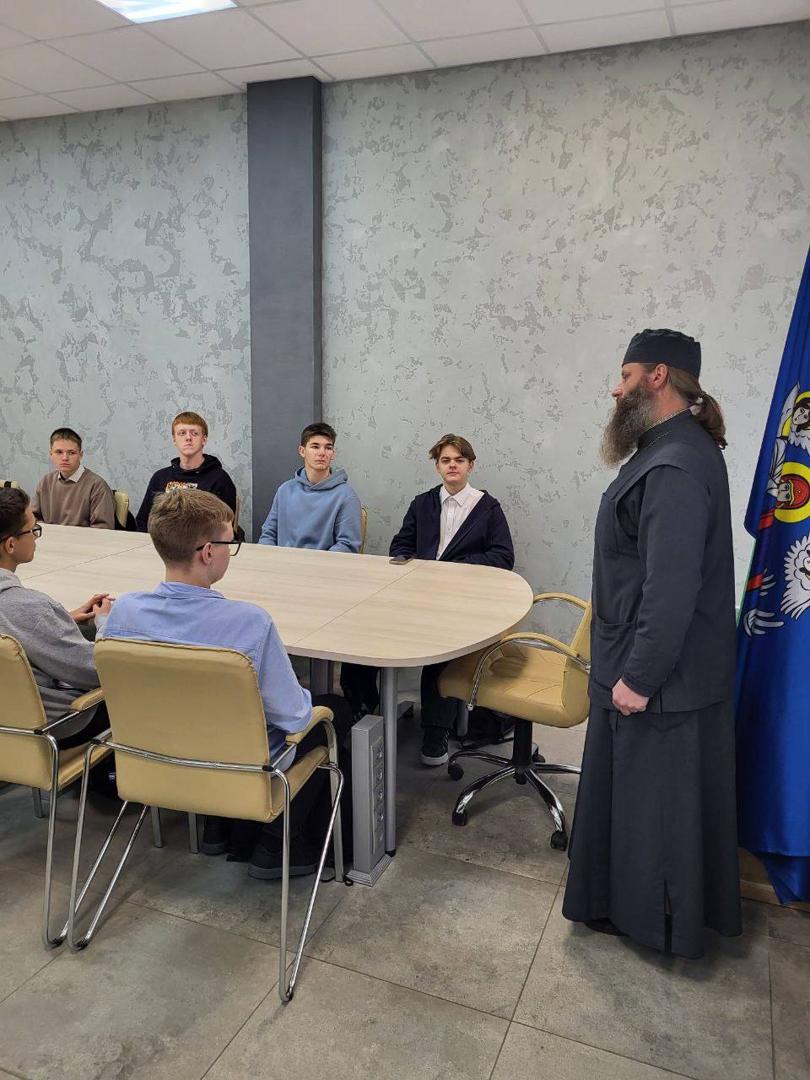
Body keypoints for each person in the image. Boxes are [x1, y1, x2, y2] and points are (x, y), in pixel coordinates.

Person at [562, 328, 741, 959]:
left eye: (627, 374)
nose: (617, 387)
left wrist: (638, 679)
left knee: (656, 818)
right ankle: (620, 908)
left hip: (662, 680)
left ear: (658, 377)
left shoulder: (677, 462)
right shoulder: (667, 448)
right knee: (635, 806)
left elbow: (671, 590)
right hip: (640, 662)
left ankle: (658, 926)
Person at [101, 487, 353, 880]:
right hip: (240, 770)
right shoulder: (249, 623)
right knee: (333, 713)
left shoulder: (123, 615)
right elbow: (293, 715)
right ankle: (279, 845)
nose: (229, 550)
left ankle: (217, 828)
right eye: (229, 542)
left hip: (153, 762)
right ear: (207, 552)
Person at [345, 434, 514, 767]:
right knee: (363, 635)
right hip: (416, 594)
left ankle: (437, 729)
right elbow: (400, 546)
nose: (452, 466)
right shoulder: (422, 503)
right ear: (437, 466)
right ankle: (364, 709)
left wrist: (455, 570)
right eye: (446, 460)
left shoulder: (487, 508)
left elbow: (502, 556)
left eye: (459, 460)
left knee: (440, 652)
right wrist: (411, 569)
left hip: (461, 600)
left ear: (470, 465)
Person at [0, 487, 112, 748]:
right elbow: (101, 672)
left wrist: (63, 618)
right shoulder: (33, 609)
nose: (36, 537)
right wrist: (104, 622)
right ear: (11, 544)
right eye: (33, 530)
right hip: (52, 726)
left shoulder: (31, 611)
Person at [258, 422, 361, 552]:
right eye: (315, 447)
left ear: (333, 454)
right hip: (283, 565)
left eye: (328, 448)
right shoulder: (285, 490)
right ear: (302, 451)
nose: (322, 453)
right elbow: (268, 534)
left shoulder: (346, 496)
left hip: (323, 569)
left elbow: (347, 545)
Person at [135, 411, 238, 532]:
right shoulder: (160, 477)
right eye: (182, 433)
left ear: (204, 440)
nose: (188, 438)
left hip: (200, 546)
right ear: (174, 439)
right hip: (160, 545)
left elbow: (224, 528)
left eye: (194, 433)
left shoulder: (220, 479)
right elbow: (143, 521)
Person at [32, 427, 115, 530]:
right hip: (50, 541)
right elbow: (32, 520)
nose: (65, 458)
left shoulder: (97, 486)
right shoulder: (45, 482)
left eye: (71, 453)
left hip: (83, 544)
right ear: (51, 454)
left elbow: (103, 529)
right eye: (59, 452)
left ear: (80, 455)